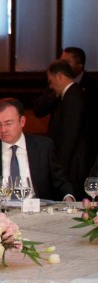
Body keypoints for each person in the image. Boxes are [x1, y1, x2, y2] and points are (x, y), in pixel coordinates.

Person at [0, 98, 73, 202]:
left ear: (22, 121)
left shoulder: (44, 147)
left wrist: (68, 197)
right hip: (0, 214)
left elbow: (60, 183)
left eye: (8, 123)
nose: (3, 130)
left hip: (38, 213)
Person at [45, 59, 89, 196]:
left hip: (72, 167)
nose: (50, 86)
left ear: (59, 76)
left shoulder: (73, 97)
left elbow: (70, 136)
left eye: (50, 81)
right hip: (72, 164)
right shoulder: (71, 95)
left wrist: (60, 169)